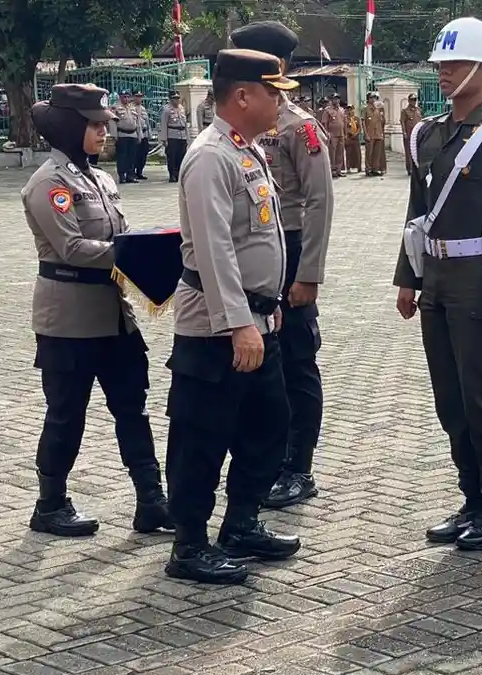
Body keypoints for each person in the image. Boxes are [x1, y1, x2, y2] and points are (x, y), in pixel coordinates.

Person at [163, 48, 302, 585]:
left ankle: (241, 522)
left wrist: (269, 307)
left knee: (267, 427)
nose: (281, 103)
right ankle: (190, 545)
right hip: (217, 330)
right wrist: (238, 322)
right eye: (274, 93)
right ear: (243, 95)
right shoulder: (209, 157)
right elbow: (216, 250)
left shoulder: (246, 150)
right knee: (202, 436)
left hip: (257, 321)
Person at [393, 16, 482, 551]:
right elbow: (417, 212)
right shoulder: (427, 133)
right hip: (439, 281)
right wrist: (408, 277)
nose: (443, 73)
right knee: (449, 396)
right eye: (440, 65)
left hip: (481, 281)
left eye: (452, 63)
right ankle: (470, 493)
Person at [22, 84, 172, 537]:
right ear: (70, 127)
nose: (103, 132)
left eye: (104, 125)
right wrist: (134, 254)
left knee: (134, 409)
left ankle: (152, 502)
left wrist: (151, 251)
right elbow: (70, 247)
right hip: (68, 319)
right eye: (93, 125)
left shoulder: (101, 180)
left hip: (113, 314)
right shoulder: (50, 183)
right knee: (67, 414)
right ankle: (50, 504)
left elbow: (118, 238)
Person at [229, 20, 336, 509]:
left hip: (290, 249)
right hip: (252, 254)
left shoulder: (300, 127)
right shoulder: (235, 130)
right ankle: (266, 457)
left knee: (296, 361)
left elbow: (320, 202)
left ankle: (299, 466)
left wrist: (308, 273)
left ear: (280, 68)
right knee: (258, 364)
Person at [159, 91, 190, 183]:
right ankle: (172, 174)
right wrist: (164, 139)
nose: (176, 100)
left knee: (181, 156)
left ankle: (179, 174)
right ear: (170, 99)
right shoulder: (167, 110)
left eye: (177, 98)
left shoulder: (181, 109)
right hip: (172, 135)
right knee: (172, 156)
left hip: (182, 135)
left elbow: (184, 124)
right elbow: (163, 124)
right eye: (174, 98)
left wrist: (187, 137)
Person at [110, 90, 140, 184]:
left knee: (132, 156)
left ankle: (130, 175)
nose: (126, 98)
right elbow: (112, 122)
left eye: (127, 96)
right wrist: (114, 135)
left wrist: (139, 135)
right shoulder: (115, 107)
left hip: (133, 134)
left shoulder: (133, 107)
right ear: (120, 97)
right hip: (122, 135)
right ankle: (122, 175)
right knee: (122, 156)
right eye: (124, 97)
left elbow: (137, 122)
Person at [320, 93, 347, 177]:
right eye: (334, 99)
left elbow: (344, 122)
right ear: (331, 100)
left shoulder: (342, 110)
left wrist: (345, 133)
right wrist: (327, 133)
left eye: (337, 98)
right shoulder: (328, 110)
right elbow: (324, 123)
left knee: (340, 152)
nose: (336, 100)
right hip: (332, 134)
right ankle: (332, 170)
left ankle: (339, 170)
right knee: (332, 153)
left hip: (341, 134)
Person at [364, 92, 388, 176]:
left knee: (377, 153)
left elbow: (382, 122)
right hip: (370, 134)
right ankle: (368, 169)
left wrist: (382, 112)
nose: (373, 99)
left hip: (378, 133)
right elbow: (363, 122)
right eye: (371, 97)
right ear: (368, 99)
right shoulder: (365, 109)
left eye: (374, 97)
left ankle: (375, 168)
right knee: (369, 153)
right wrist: (365, 134)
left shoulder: (378, 109)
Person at [401, 93, 423, 175]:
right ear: (409, 101)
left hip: (418, 134)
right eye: (412, 100)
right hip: (409, 134)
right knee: (409, 152)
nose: (413, 102)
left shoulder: (419, 110)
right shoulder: (405, 111)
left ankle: (417, 167)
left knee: (417, 152)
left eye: (415, 100)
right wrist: (404, 132)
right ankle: (410, 169)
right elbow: (402, 122)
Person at [132, 91, 151, 181]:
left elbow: (147, 122)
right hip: (136, 134)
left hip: (144, 134)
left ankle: (140, 172)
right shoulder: (131, 108)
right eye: (137, 96)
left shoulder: (143, 108)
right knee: (135, 154)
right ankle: (132, 172)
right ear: (133, 97)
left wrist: (149, 133)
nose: (139, 98)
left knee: (143, 154)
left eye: (140, 97)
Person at [345, 104, 363, 173]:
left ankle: (359, 167)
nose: (350, 111)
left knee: (357, 153)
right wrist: (350, 132)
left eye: (351, 109)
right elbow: (344, 127)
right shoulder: (345, 118)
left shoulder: (356, 118)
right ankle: (348, 167)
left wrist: (356, 134)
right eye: (348, 109)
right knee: (349, 153)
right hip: (349, 138)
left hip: (356, 138)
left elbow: (359, 128)